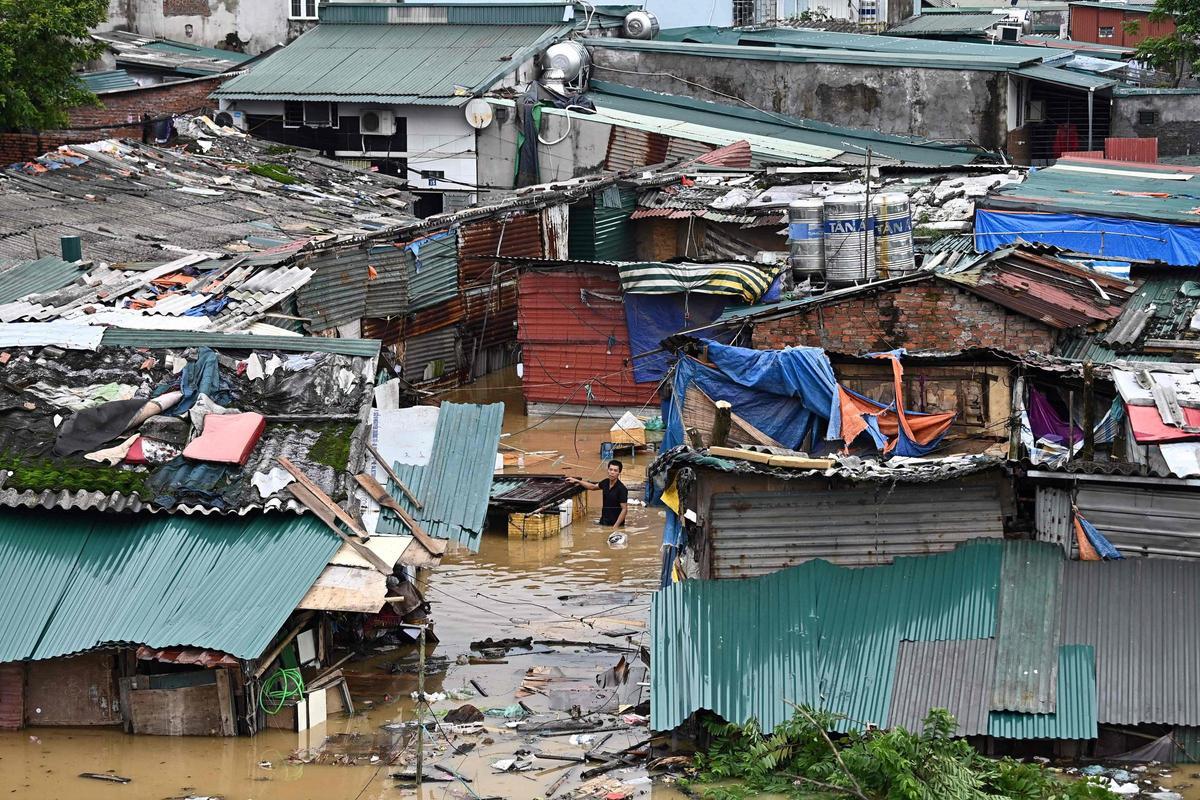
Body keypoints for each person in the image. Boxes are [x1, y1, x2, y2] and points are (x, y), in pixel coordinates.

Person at [568, 460, 628, 530]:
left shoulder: (622, 489)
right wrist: (578, 481)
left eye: (615, 470)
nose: (612, 472)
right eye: (610, 469)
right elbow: (592, 487)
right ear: (608, 470)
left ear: (619, 473)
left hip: (615, 524)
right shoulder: (605, 482)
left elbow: (624, 509)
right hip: (604, 521)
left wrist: (616, 526)